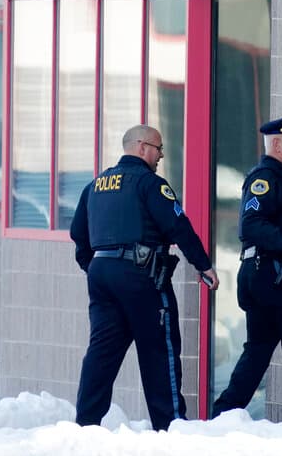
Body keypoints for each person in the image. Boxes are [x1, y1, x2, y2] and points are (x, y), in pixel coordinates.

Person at [69, 124, 219, 431]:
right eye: (158, 148)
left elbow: (78, 234)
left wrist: (95, 267)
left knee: (101, 352)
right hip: (142, 275)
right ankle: (171, 426)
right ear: (141, 147)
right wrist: (203, 265)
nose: (161, 155)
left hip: (102, 276)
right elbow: (178, 225)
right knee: (159, 351)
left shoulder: (95, 185)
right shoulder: (149, 184)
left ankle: (85, 424)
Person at [212, 112, 282, 425]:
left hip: (268, 274)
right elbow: (252, 226)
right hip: (276, 275)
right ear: (277, 144)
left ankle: (223, 415)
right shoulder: (266, 180)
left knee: (257, 352)